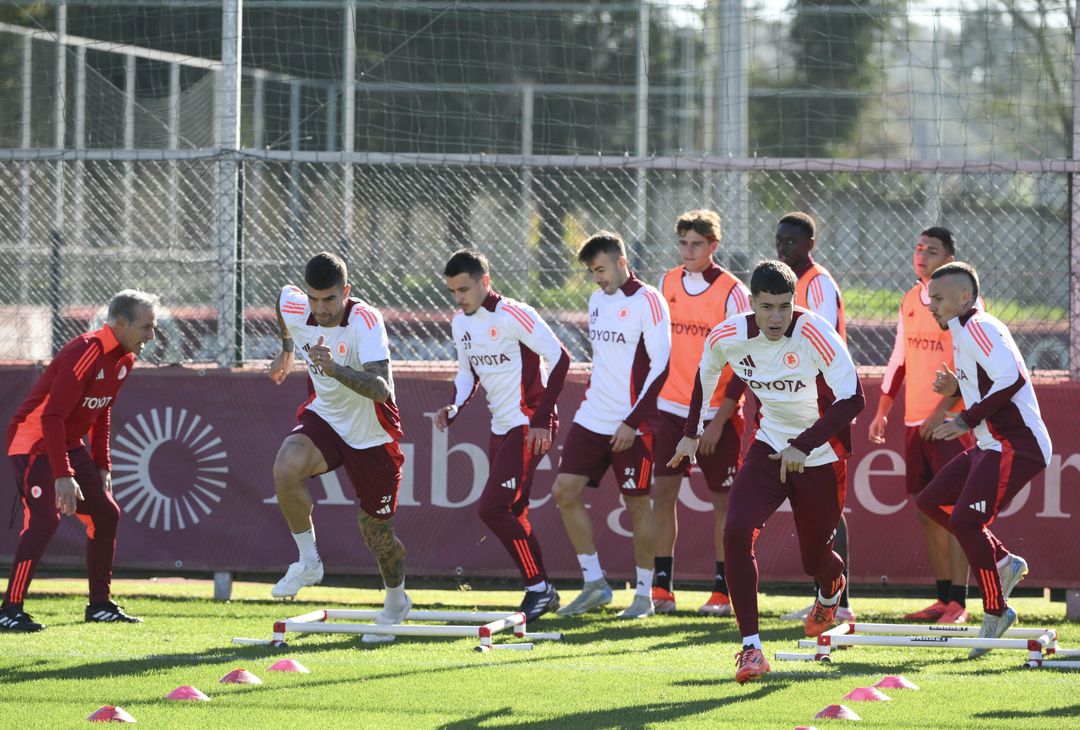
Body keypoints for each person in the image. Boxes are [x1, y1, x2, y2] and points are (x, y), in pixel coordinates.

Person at [669, 259, 864, 683]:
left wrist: (804, 444)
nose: (776, 317)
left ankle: (830, 590)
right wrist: (690, 432)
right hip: (769, 446)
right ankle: (751, 649)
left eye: (784, 306)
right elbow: (705, 377)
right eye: (766, 307)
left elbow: (853, 400)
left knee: (815, 559)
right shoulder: (728, 336)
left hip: (821, 455)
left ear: (794, 303)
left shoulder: (814, 332)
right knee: (736, 532)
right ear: (751, 304)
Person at [268, 251, 410, 643]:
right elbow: (284, 301)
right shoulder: (296, 305)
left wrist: (335, 370)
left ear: (345, 292)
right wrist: (287, 349)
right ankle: (308, 561)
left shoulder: (365, 319)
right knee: (286, 467)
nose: (321, 308)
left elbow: (380, 390)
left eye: (329, 299)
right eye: (314, 299)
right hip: (326, 419)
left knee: (376, 533)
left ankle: (396, 601)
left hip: (371, 433)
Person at [2, 290, 158, 632]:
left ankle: (99, 605)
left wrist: (102, 466)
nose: (152, 335)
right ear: (120, 323)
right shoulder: (86, 350)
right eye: (146, 327)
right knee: (44, 521)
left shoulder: (124, 358)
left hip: (65, 444)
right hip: (33, 442)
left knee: (106, 514)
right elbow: (52, 416)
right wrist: (62, 474)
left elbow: (101, 411)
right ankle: (9, 609)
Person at [919, 261, 1050, 657]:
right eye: (930, 298)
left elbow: (1012, 379)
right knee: (930, 501)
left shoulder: (980, 326)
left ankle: (996, 609)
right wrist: (958, 389)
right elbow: (991, 381)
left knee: (965, 520)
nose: (932, 305)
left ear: (965, 297)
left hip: (1016, 443)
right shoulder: (964, 330)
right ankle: (1004, 561)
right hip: (991, 442)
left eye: (939, 298)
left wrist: (965, 418)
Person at [433, 249, 571, 622]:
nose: (459, 298)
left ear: (485, 282)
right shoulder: (460, 323)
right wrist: (453, 407)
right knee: (514, 510)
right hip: (501, 428)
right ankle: (544, 591)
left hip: (529, 425)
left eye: (464, 289)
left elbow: (561, 358)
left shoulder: (513, 314)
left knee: (492, 508)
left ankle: (538, 588)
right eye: (453, 291)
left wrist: (542, 418)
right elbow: (467, 375)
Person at [552, 231, 671, 619]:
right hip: (593, 416)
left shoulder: (648, 300)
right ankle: (594, 585)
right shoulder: (597, 299)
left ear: (622, 262)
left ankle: (643, 597)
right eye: (591, 271)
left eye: (601, 269)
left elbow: (661, 365)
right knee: (564, 491)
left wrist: (632, 422)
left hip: (631, 423)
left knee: (638, 505)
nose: (597, 278)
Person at [868, 227, 972, 624]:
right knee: (927, 513)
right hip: (916, 423)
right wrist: (883, 410)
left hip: (949, 423)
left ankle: (961, 603)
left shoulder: (964, 304)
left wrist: (939, 413)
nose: (922, 255)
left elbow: (970, 366)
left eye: (932, 250)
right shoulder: (912, 298)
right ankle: (943, 598)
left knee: (955, 511)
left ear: (949, 259)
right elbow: (900, 358)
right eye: (918, 249)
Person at [651, 210, 751, 616]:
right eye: (683, 243)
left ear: (714, 246)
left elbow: (745, 362)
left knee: (724, 502)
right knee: (663, 493)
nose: (688, 251)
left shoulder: (733, 292)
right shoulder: (667, 282)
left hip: (715, 414)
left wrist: (720, 419)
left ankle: (722, 590)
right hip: (671, 409)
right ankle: (662, 588)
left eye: (697, 244)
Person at [775, 211, 854, 620]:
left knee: (828, 503)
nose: (782, 247)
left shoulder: (817, 283)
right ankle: (828, 595)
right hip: (801, 403)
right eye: (779, 240)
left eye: (791, 241)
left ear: (809, 244)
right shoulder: (785, 283)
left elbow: (819, 343)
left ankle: (842, 602)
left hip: (825, 404)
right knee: (814, 504)